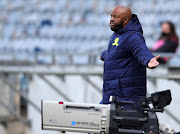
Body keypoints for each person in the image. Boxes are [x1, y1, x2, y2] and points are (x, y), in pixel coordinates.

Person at [99, 5, 160, 110]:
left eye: (116, 17)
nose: (111, 19)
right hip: (112, 96)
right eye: (111, 16)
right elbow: (120, 52)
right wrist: (105, 55)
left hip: (127, 99)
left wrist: (148, 60)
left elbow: (140, 50)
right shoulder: (117, 35)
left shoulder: (133, 36)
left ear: (125, 20)